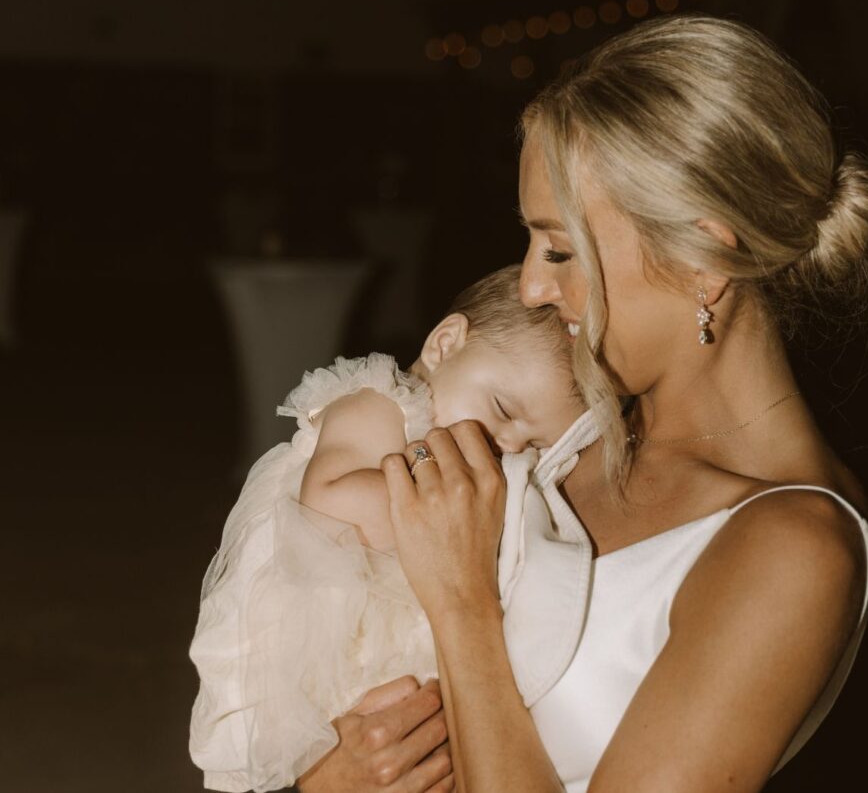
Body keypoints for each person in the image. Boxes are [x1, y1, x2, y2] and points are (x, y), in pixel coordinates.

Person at [299, 14, 868, 793]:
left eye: (560, 249)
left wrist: (463, 604)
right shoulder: (569, 427)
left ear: (702, 261)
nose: (528, 288)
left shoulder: (793, 547)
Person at [188, 265, 585, 792]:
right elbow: (328, 498)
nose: (510, 446)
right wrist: (444, 512)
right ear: (445, 345)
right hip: (327, 629)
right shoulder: (379, 405)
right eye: (503, 410)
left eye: (535, 443)